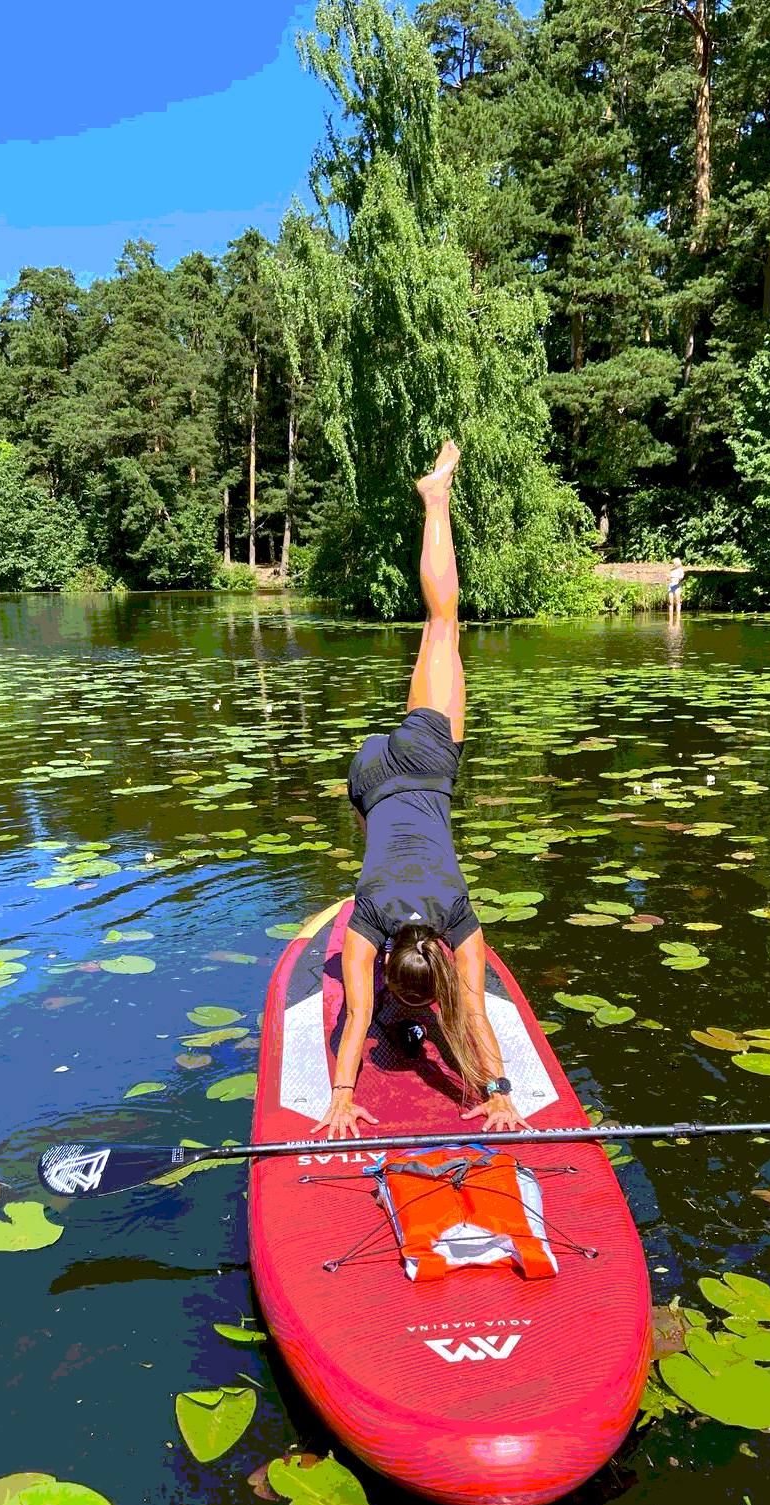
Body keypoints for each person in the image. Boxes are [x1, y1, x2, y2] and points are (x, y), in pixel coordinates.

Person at [312, 440, 529, 1143]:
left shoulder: (451, 917)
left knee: (442, 621)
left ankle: (437, 498)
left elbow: (360, 1017)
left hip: (421, 763)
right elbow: (471, 1013)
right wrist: (493, 1091)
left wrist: (343, 1099)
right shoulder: (370, 917)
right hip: (368, 779)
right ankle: (434, 497)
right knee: (436, 629)